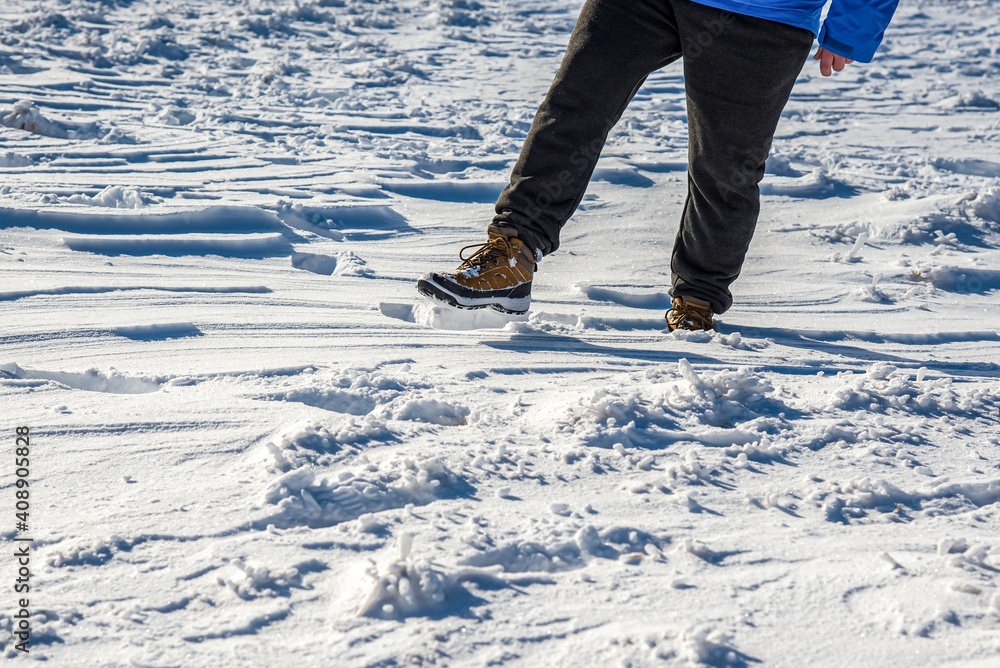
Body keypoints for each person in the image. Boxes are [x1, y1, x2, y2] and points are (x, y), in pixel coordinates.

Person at [417, 0, 900, 331]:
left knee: (725, 163)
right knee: (574, 107)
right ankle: (512, 256)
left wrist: (853, 25)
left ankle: (698, 301)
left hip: (764, 13)